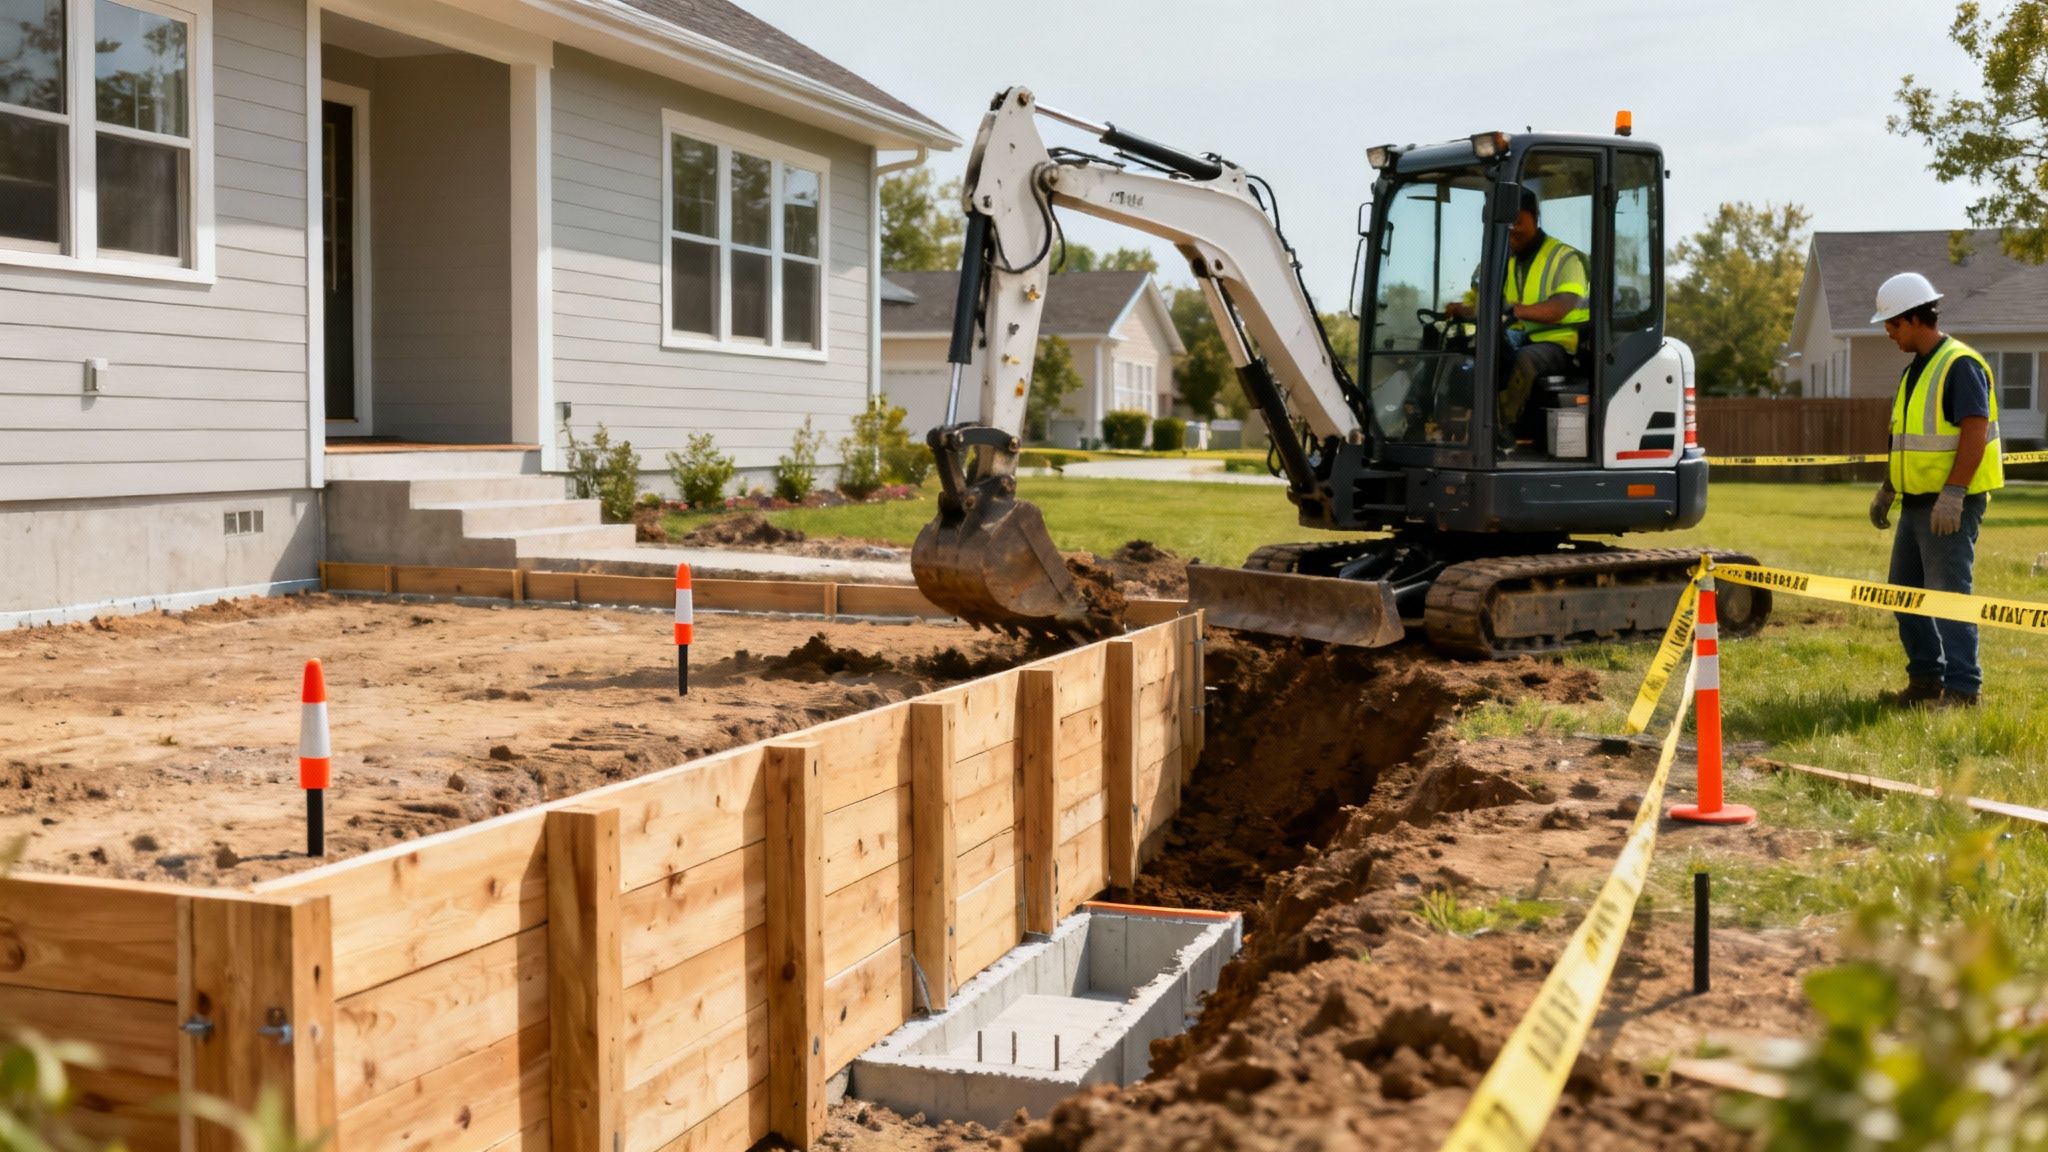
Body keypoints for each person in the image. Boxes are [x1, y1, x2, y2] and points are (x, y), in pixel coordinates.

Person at [1866, 271, 2003, 709]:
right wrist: (1888, 489)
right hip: (1915, 502)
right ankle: (1927, 681)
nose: (1888, 333)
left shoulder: (1959, 364)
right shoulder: (1913, 372)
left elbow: (1975, 433)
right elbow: (1903, 438)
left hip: (1948, 503)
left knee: (1947, 595)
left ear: (1912, 319)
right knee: (1903, 591)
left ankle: (1964, 690)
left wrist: (1954, 494)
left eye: (1891, 324)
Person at [1445, 188, 1589, 454]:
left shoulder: (1566, 259)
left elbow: (1561, 307)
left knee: (1525, 359)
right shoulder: (1504, 261)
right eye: (1505, 224)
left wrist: (1518, 311)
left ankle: (1501, 431)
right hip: (1515, 336)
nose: (1512, 230)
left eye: (1518, 222)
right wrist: (1462, 310)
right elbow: (1486, 303)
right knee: (1464, 353)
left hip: (1560, 344)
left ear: (1535, 217)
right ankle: (1442, 423)